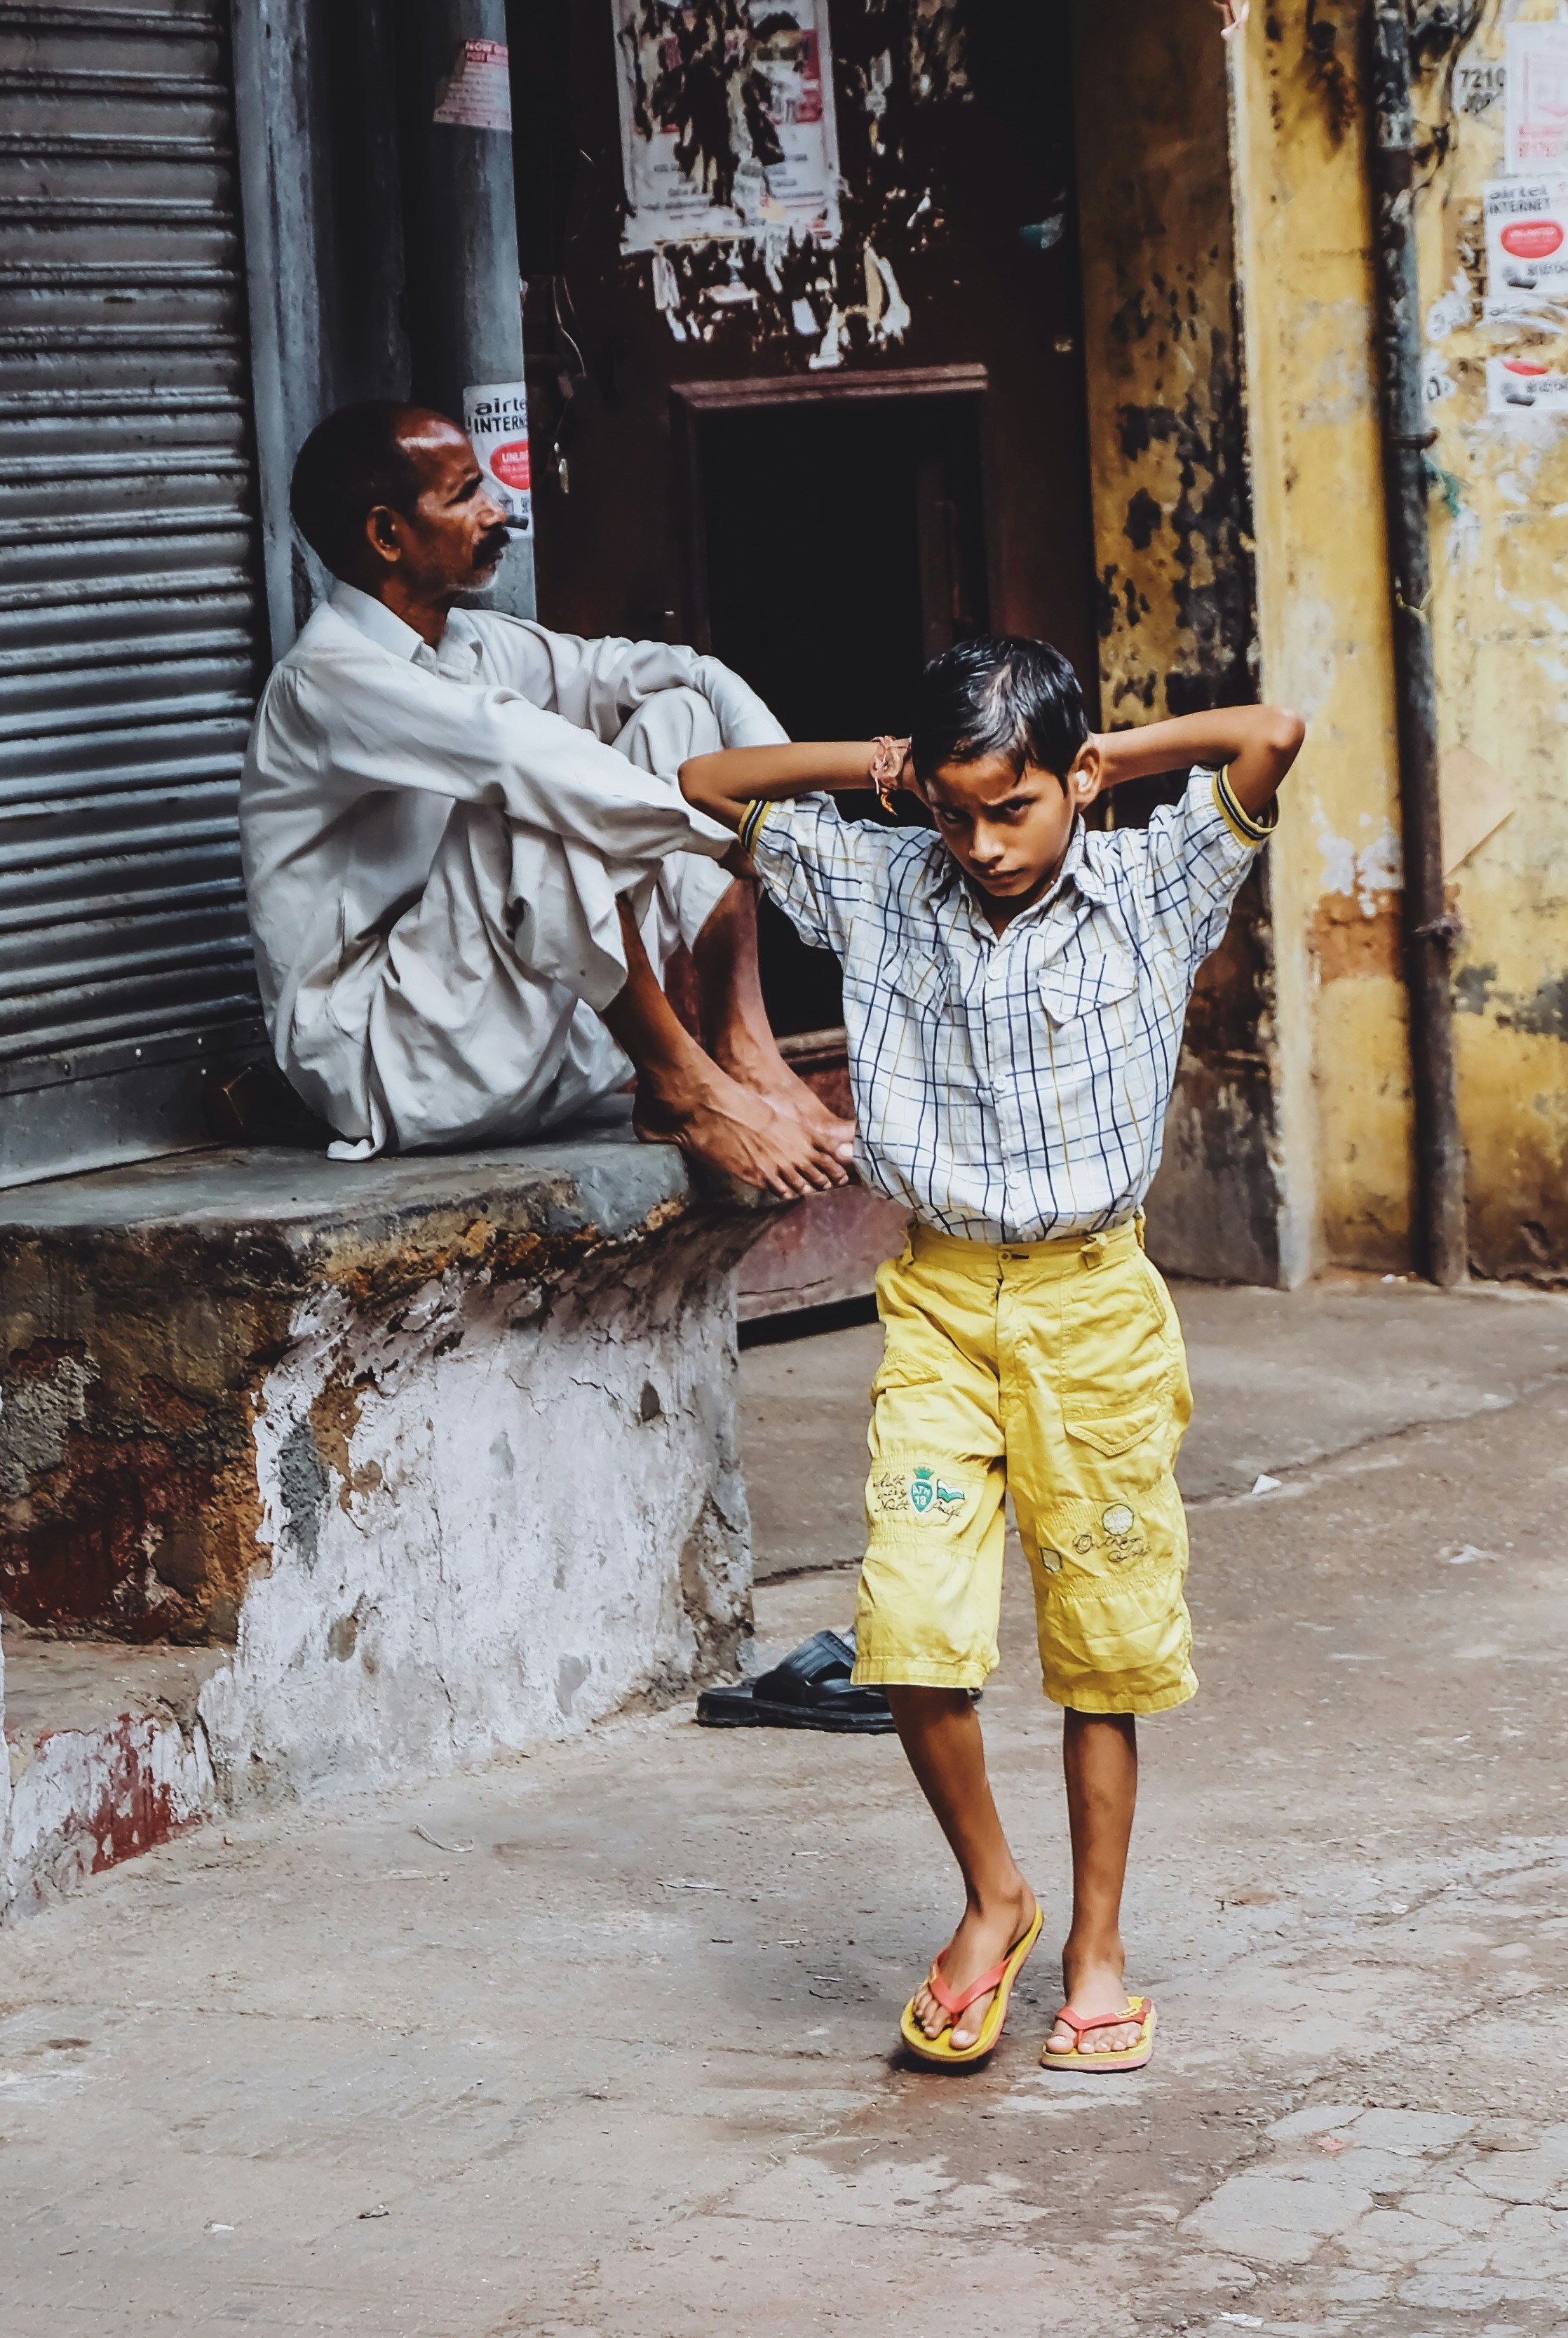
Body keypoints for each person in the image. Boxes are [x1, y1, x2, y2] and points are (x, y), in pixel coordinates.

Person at [680, 638, 1304, 2067]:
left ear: (1073, 781)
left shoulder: (1152, 882)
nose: (981, 843)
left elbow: (1265, 730)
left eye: (1010, 807)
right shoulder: (884, 879)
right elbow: (705, 782)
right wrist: (875, 768)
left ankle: (1095, 1945)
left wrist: (1093, 764)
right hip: (941, 1309)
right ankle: (992, 1897)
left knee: (1102, 1646)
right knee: (909, 1622)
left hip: (1091, 1311)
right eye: (954, 812)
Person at [240, 401, 853, 1195]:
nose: (498, 510)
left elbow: (678, 672)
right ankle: (682, 1084)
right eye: (464, 496)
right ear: (387, 535)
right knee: (532, 788)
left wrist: (820, 800)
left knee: (678, 714)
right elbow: (518, 757)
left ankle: (742, 1048)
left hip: (526, 1048)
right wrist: (733, 841)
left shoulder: (471, 643)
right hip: (394, 1069)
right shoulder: (326, 680)